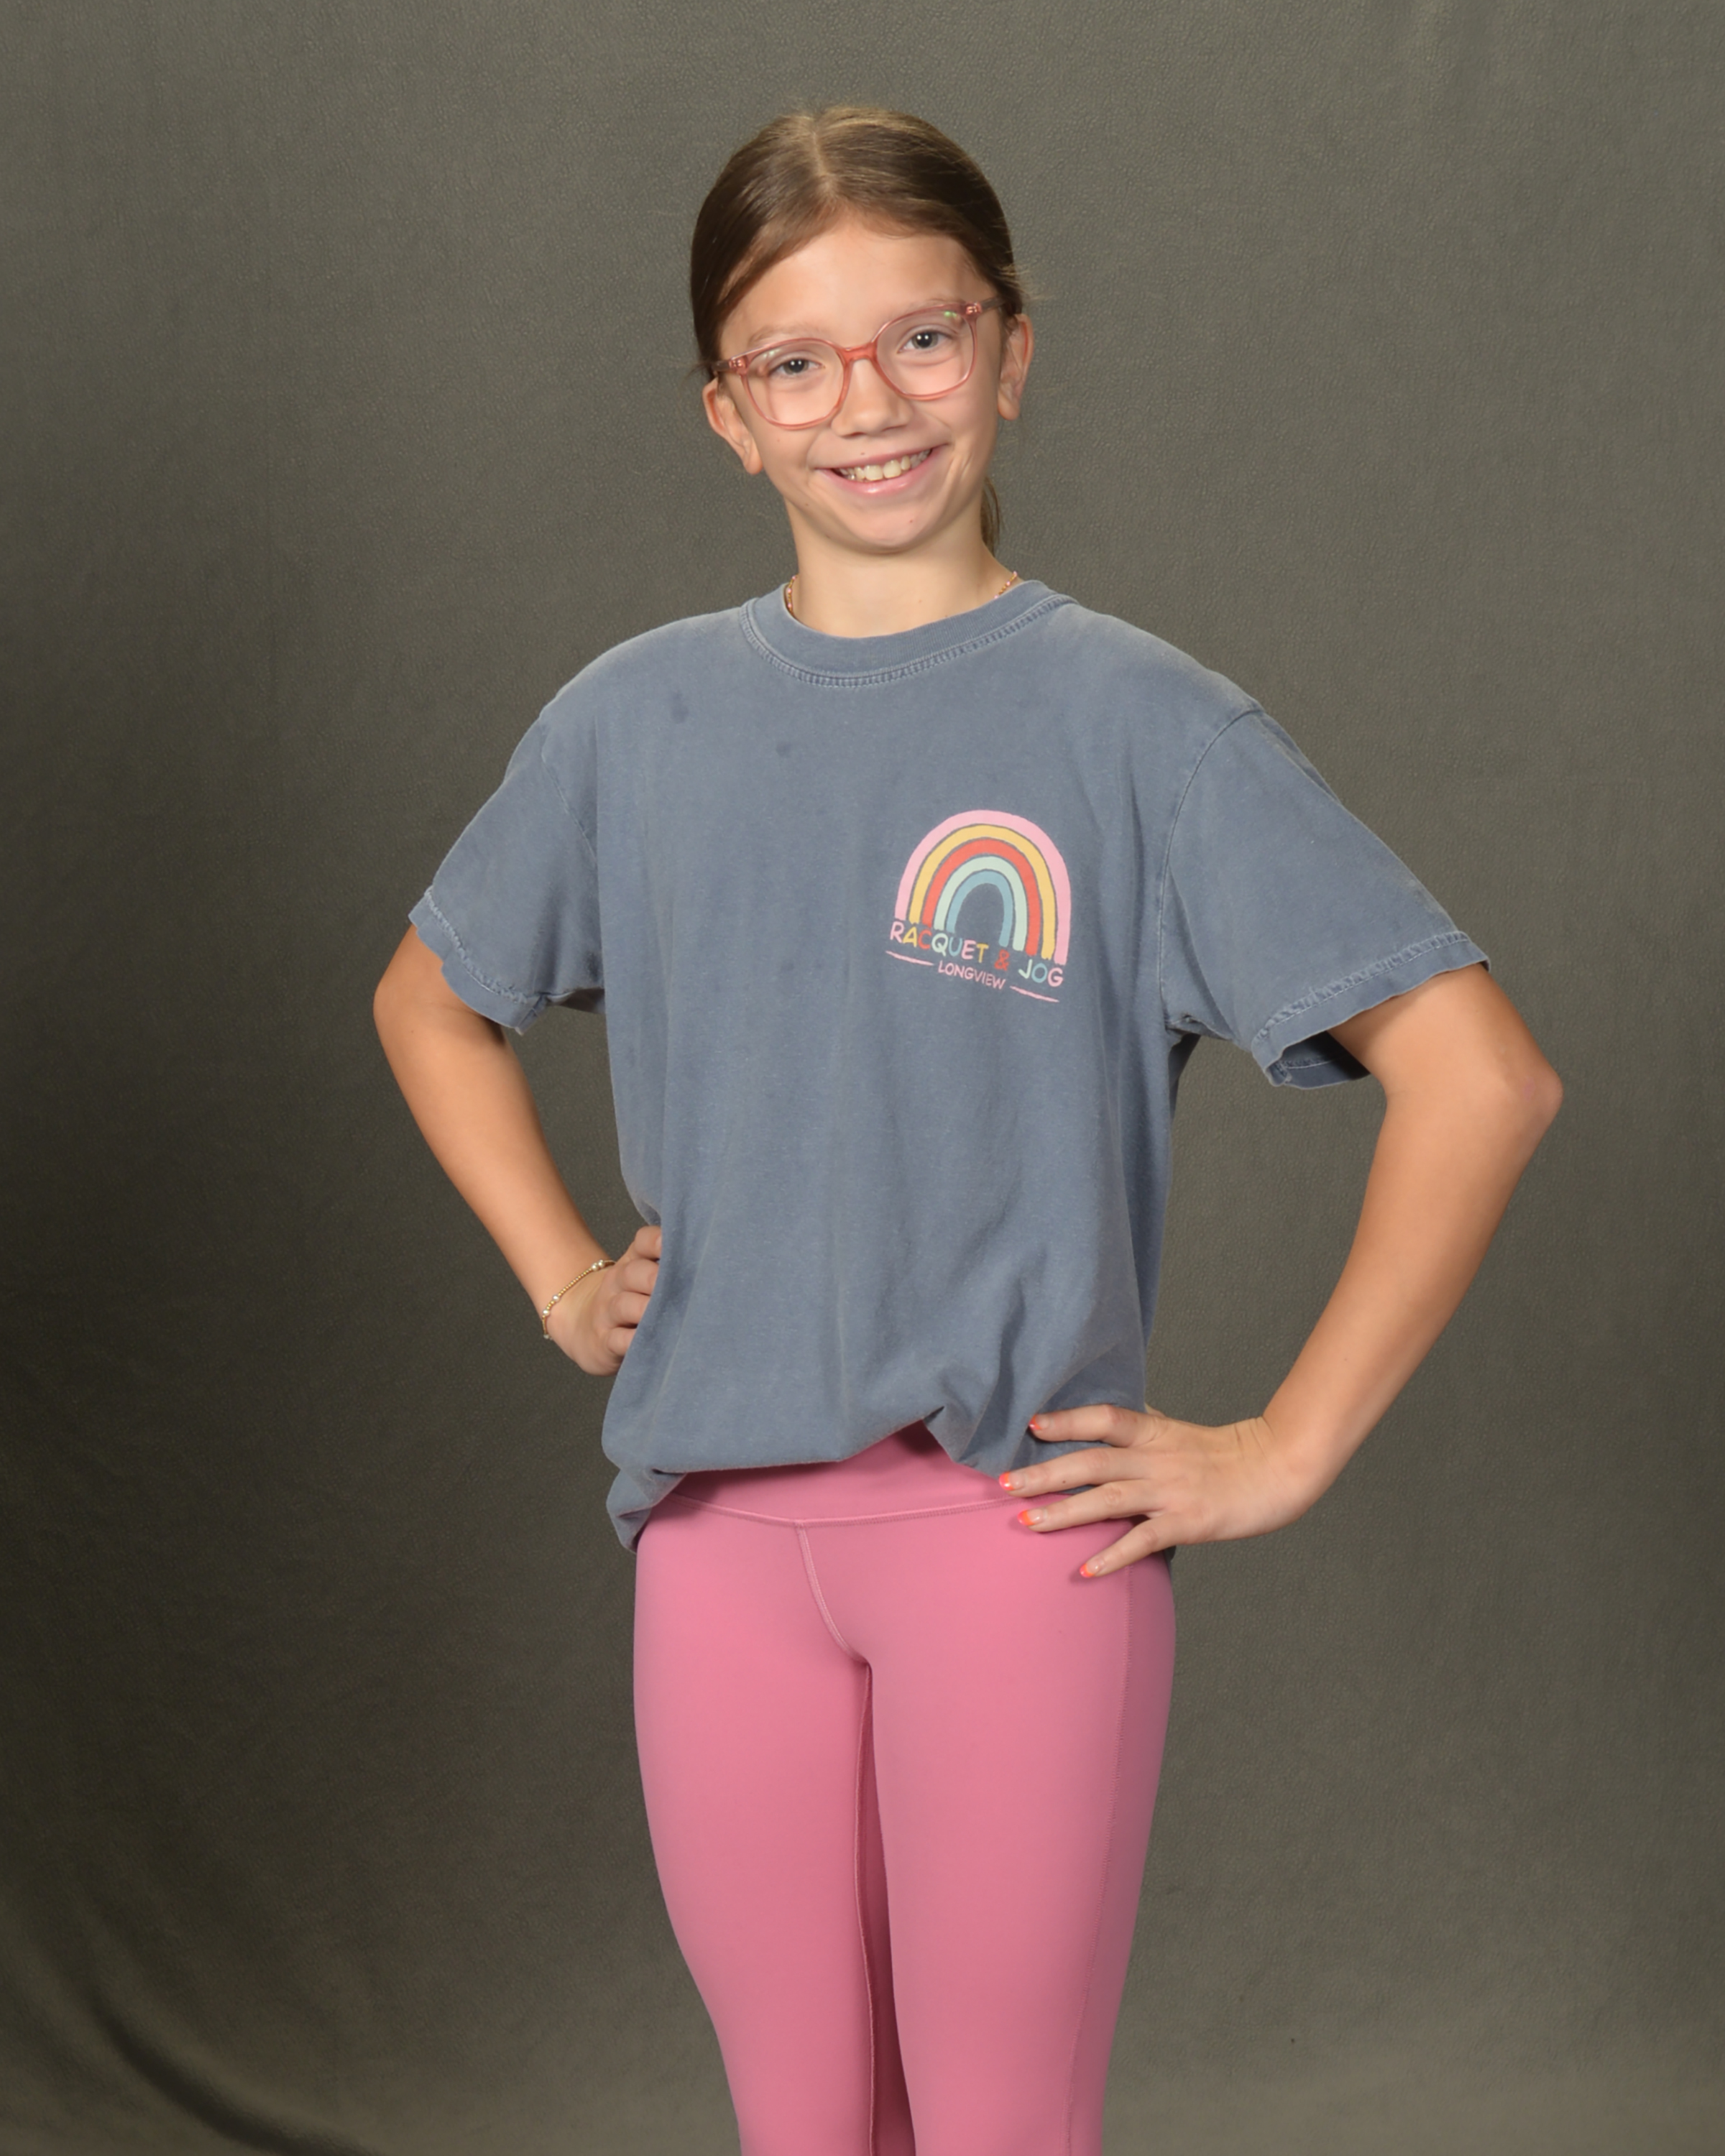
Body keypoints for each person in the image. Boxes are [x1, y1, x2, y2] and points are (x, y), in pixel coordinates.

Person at [372, 105, 1560, 2156]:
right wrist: (566, 1278)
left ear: (1013, 351)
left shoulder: (1145, 729)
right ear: (726, 413)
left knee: (998, 2124)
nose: (869, 403)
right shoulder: (630, 723)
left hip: (1008, 1547)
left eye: (922, 338)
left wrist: (1285, 1444)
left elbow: (1484, 1077)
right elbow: (429, 999)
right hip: (715, 1553)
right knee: (805, 2126)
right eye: (797, 361)